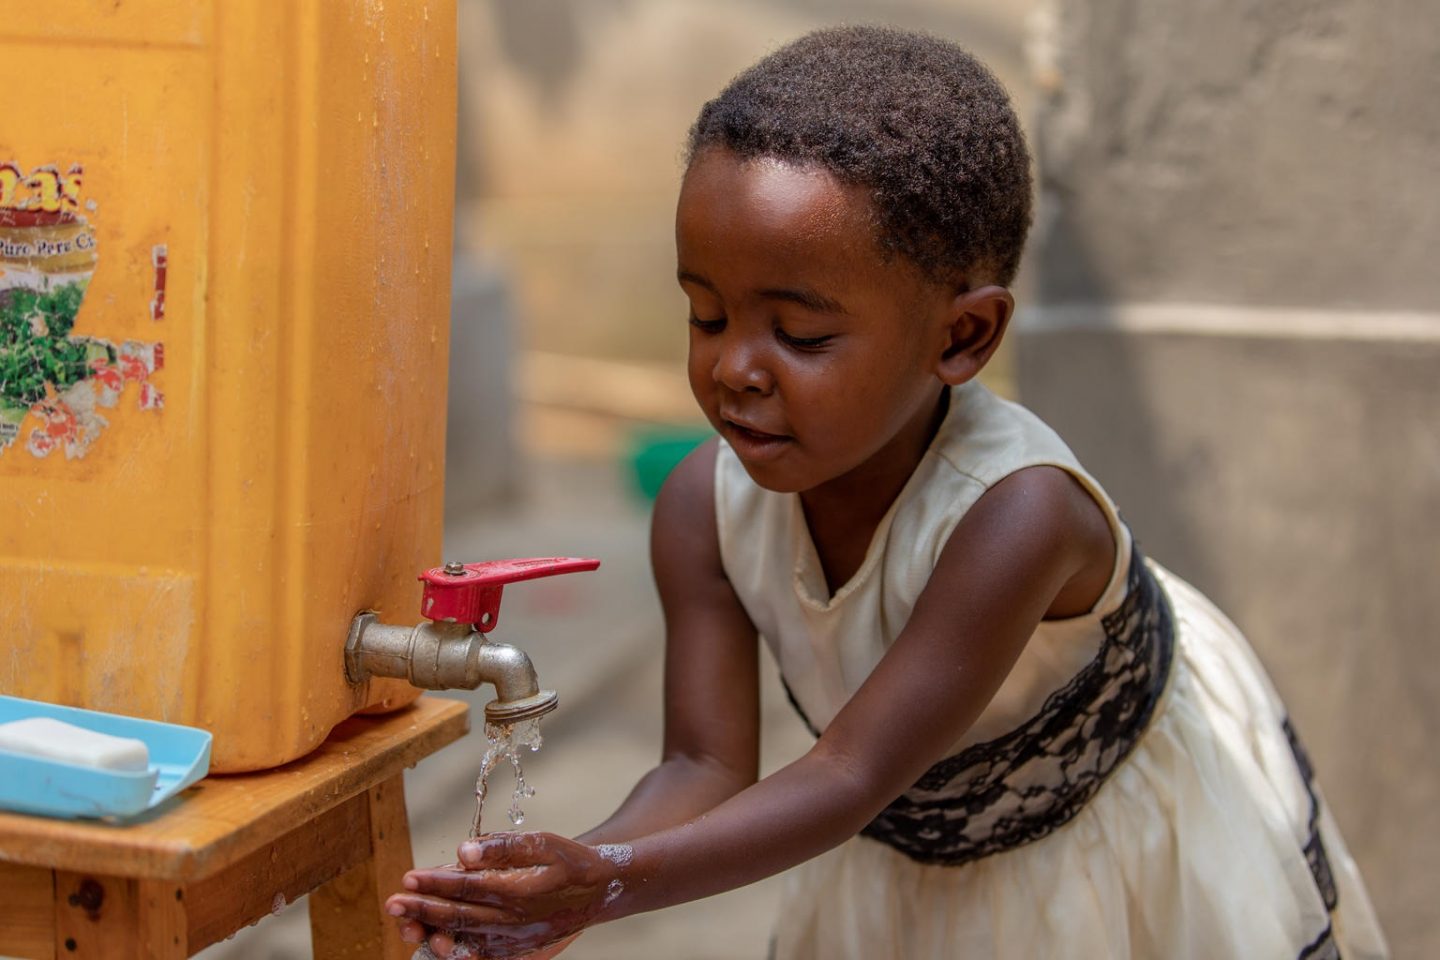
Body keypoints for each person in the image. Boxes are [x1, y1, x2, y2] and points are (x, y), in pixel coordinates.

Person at [387, 24, 1389, 960]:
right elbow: (704, 768)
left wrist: (611, 885)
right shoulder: (705, 506)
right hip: (908, 833)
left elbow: (848, 774)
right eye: (705, 315)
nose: (736, 367)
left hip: (1097, 827)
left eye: (802, 335)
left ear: (963, 337)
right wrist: (569, 878)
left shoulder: (1018, 518)